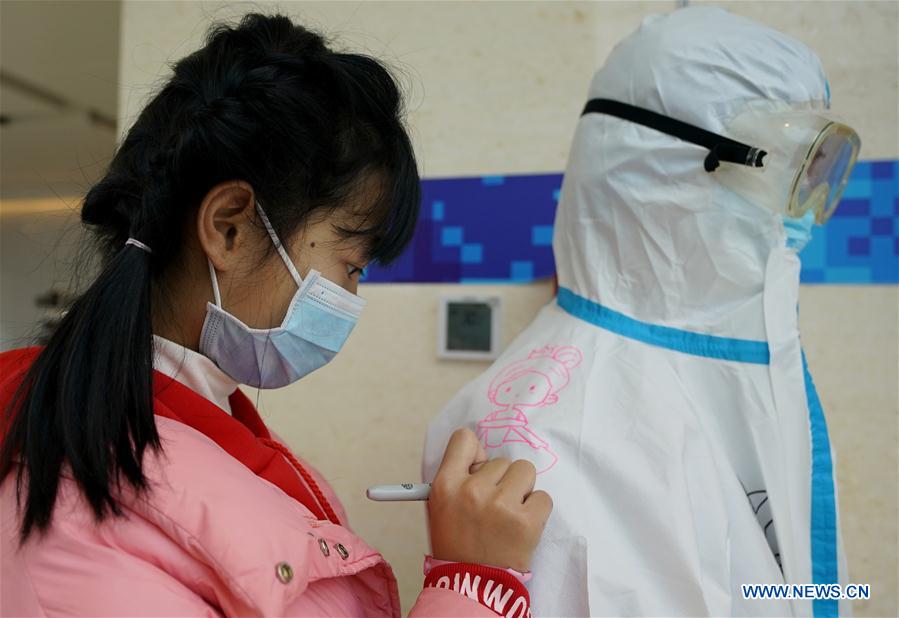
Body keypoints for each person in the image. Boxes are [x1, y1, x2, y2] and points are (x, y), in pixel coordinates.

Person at [0, 13, 551, 617]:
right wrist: (474, 583)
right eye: (351, 263)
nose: (351, 297)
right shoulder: (80, 525)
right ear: (229, 227)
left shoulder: (213, 435)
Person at [423, 6, 858, 617]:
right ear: (667, 171)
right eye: (789, 171)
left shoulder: (744, 376)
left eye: (817, 173)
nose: (802, 214)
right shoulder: (544, 437)